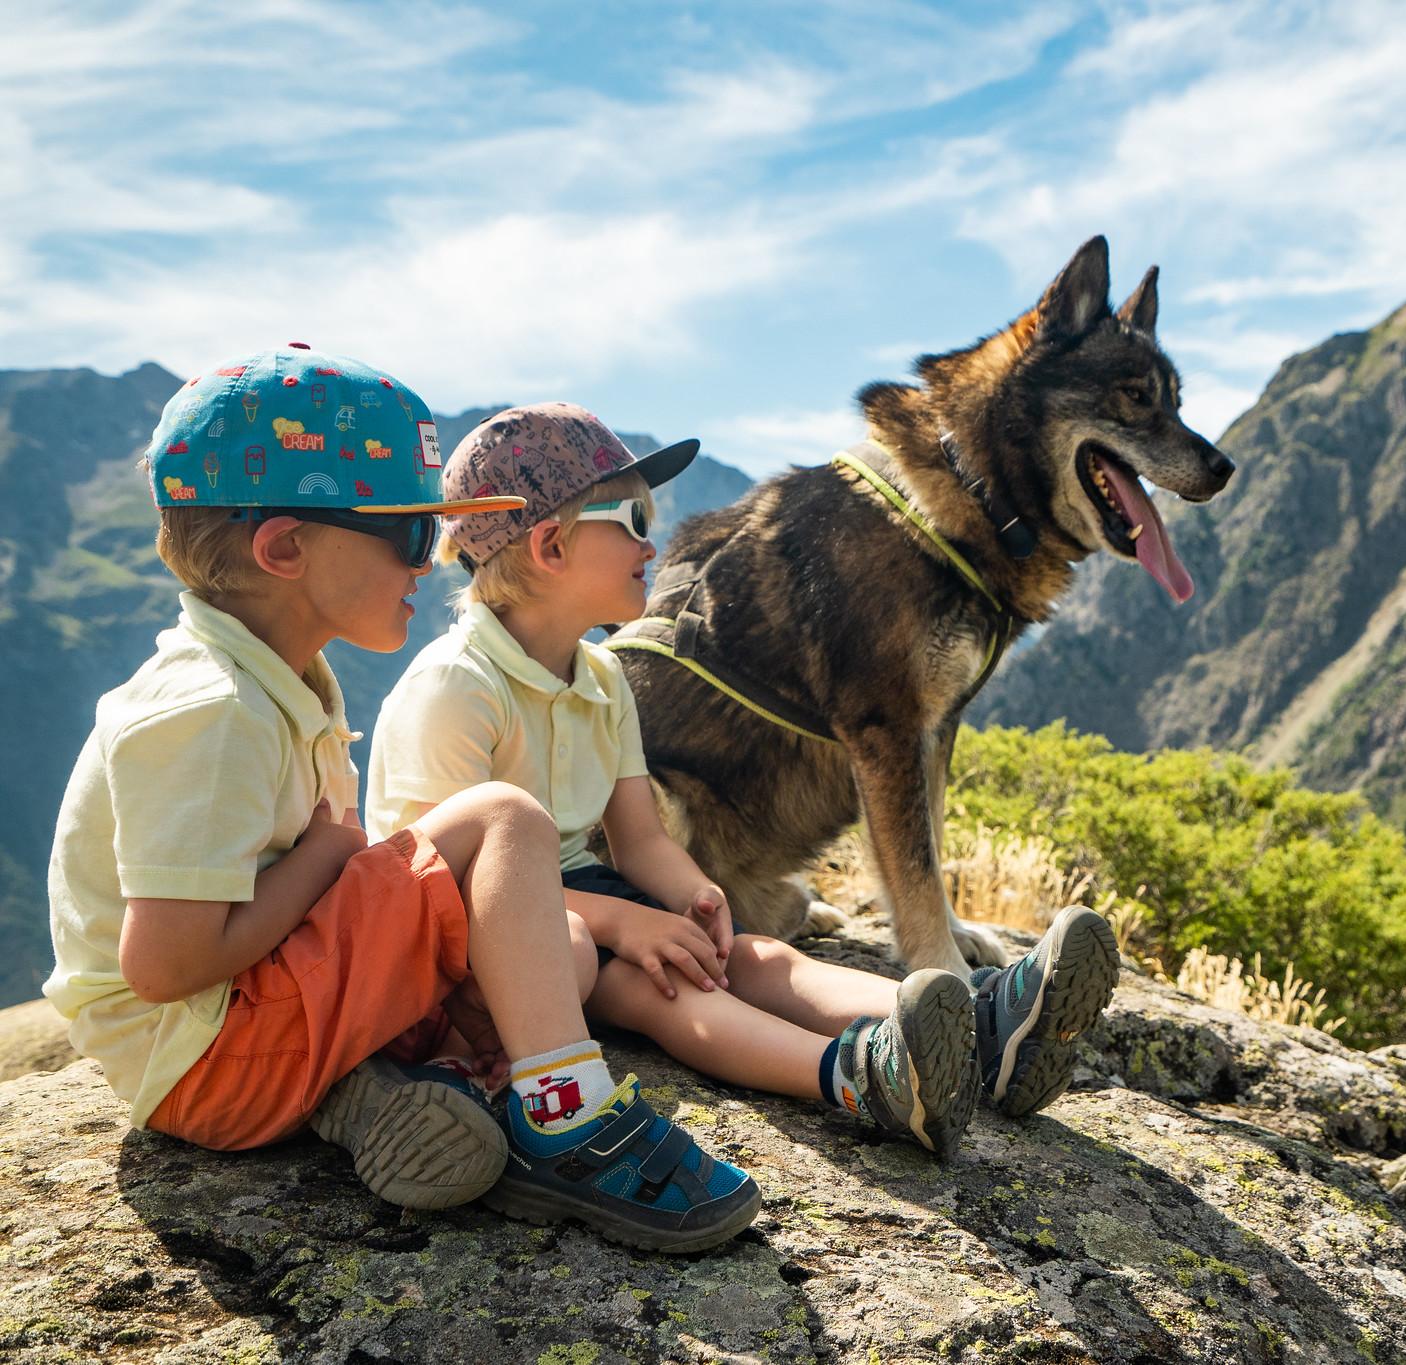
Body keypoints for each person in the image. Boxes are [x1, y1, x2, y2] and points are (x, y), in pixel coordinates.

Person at [44, 349, 758, 1254]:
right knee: (502, 818)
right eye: (414, 536)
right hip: (202, 1055)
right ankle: (566, 1120)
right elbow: (165, 964)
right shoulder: (212, 710)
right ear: (285, 548)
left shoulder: (275, 680)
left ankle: (371, 1095)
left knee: (556, 956)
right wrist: (326, 854)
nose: (434, 564)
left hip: (242, 1026)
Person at [365, 404, 1120, 1161]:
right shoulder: (455, 688)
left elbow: (640, 838)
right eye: (630, 519)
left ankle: (988, 1029)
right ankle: (860, 1075)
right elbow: (444, 887)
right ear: (551, 545)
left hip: (581, 901)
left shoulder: (603, 676)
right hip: (486, 941)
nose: (652, 543)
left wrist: (697, 898)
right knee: (666, 992)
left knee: (753, 958)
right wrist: (627, 925)